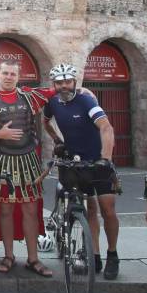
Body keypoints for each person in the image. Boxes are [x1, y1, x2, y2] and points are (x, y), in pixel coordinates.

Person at [0, 61, 56, 277]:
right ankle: (8, 256)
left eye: (12, 74)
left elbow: (57, 90)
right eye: (5, 73)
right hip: (1, 161)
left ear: (18, 77)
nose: (8, 77)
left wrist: (81, 90)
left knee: (30, 210)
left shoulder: (30, 97)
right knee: (5, 210)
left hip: (28, 161)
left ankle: (33, 259)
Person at [42, 63, 120, 279]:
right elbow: (45, 122)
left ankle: (112, 254)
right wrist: (57, 140)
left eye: (68, 81)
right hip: (76, 162)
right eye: (59, 82)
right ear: (54, 84)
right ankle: (95, 255)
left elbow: (106, 127)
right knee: (91, 209)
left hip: (98, 161)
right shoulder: (52, 102)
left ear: (74, 82)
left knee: (108, 209)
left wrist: (106, 158)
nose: (64, 86)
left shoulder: (86, 100)